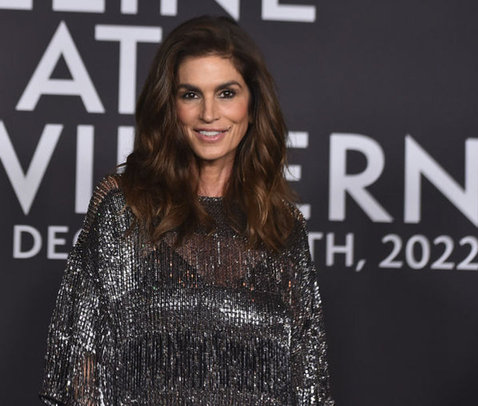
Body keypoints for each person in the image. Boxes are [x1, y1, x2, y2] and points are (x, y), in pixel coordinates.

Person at [40, 15, 334, 405]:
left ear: (253, 104)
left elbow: (309, 384)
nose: (209, 113)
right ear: (170, 105)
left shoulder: (283, 227)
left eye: (226, 93)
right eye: (191, 94)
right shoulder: (126, 209)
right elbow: (80, 366)